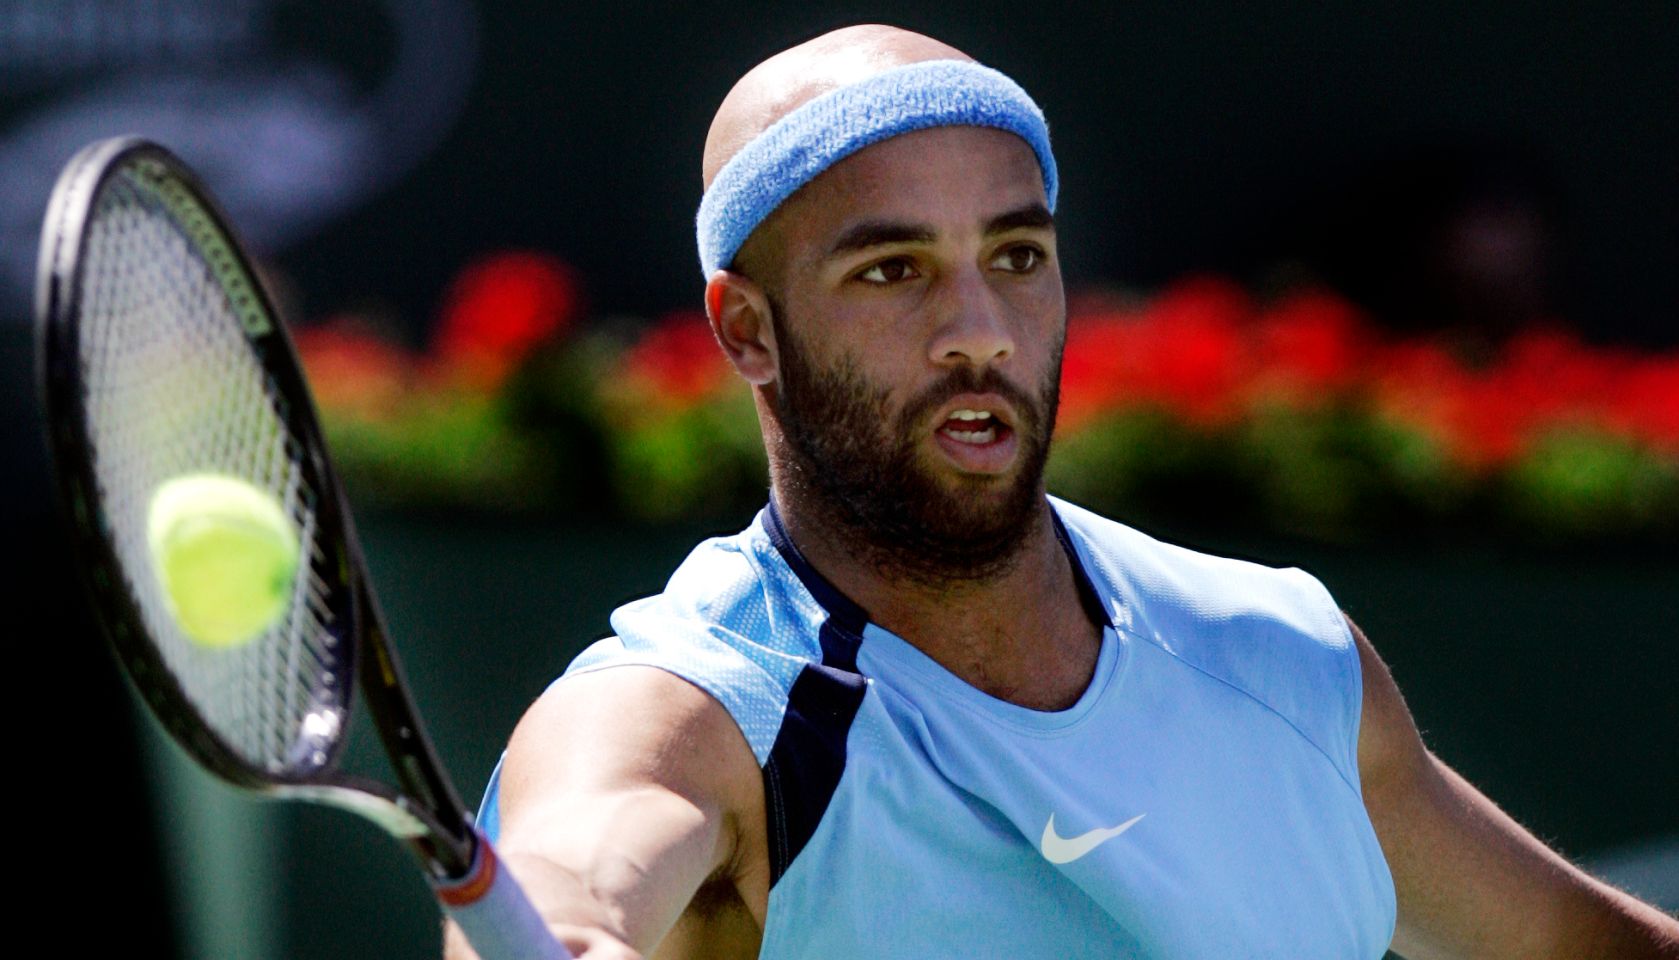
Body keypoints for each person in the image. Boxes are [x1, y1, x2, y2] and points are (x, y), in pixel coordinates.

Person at [446, 24, 1679, 960]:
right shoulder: (693, 711)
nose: (974, 330)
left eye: (1016, 256)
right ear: (748, 330)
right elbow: (577, 861)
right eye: (891, 271)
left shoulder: (1280, 656)